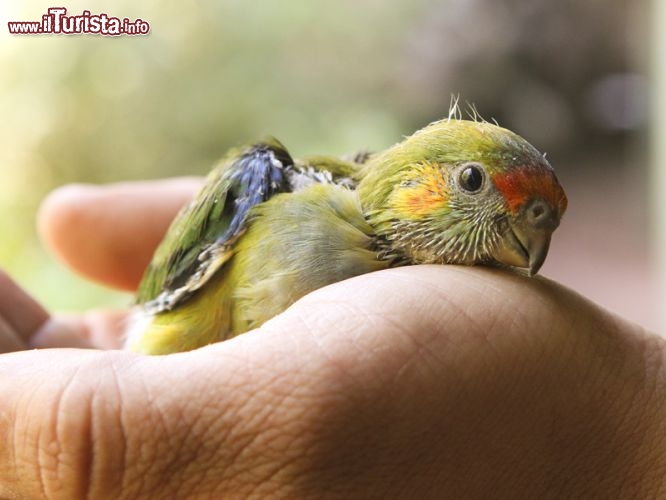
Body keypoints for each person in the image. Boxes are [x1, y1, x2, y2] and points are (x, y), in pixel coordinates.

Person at [0, 179, 664, 498]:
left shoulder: (464, 302)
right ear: (415, 179)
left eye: (535, 221)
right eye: (471, 183)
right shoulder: (278, 194)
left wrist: (622, 433)